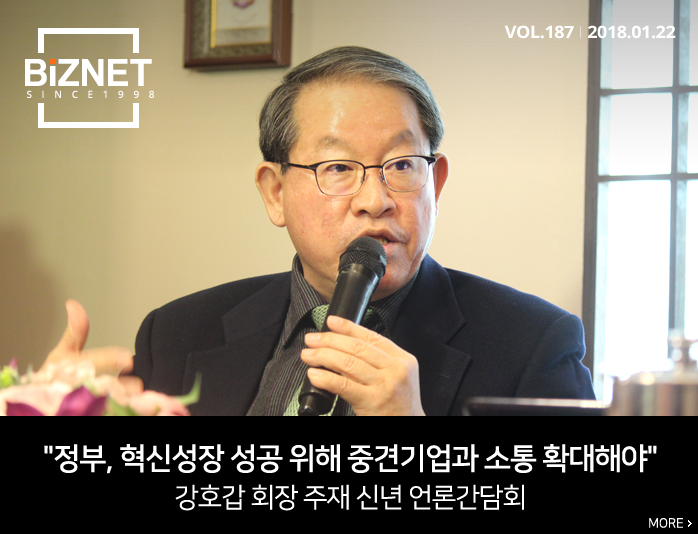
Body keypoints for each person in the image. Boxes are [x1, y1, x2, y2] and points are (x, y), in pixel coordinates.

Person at [45, 46, 595, 416]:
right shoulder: (177, 334)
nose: (376, 200)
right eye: (337, 169)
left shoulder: (532, 346)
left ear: (437, 182)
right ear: (274, 192)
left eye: (403, 165)